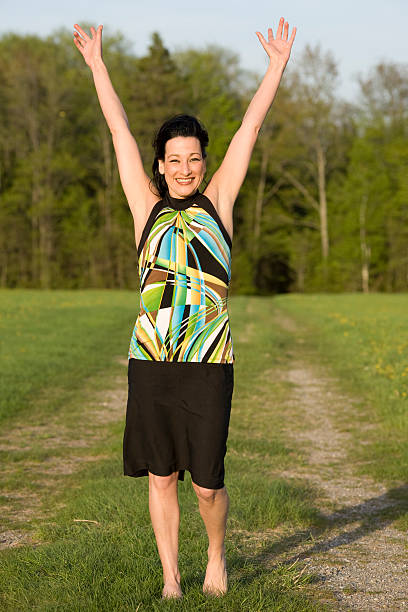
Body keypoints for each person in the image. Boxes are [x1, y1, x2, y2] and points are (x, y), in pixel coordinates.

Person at [73, 17, 296, 600]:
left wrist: (274, 69)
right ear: (161, 164)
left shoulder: (218, 200)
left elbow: (250, 127)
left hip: (209, 362)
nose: (184, 168)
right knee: (161, 474)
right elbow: (118, 131)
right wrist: (99, 65)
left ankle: (216, 557)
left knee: (206, 484)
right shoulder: (143, 206)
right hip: (150, 360)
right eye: (174, 159)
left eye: (193, 158)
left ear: (203, 161)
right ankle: (173, 578)